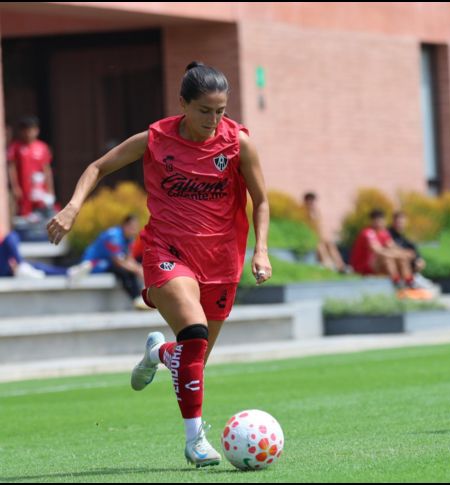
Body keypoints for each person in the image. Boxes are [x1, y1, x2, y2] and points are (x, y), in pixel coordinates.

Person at [47, 61, 271, 467]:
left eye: (220, 111)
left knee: (193, 359)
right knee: (195, 331)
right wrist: (72, 207)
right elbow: (98, 167)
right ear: (183, 104)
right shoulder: (155, 138)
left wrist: (261, 250)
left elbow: (262, 199)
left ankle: (159, 353)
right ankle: (195, 441)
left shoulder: (238, 144)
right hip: (167, 252)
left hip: (222, 261)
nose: (213, 120)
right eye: (205, 110)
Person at [67, 215, 149, 310]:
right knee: (123, 271)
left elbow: (129, 259)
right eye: (132, 227)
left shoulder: (130, 238)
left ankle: (139, 298)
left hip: (109, 262)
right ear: (124, 226)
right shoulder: (114, 236)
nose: (134, 230)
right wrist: (137, 270)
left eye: (136, 227)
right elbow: (118, 261)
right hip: (95, 263)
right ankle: (136, 298)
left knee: (131, 270)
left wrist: (138, 268)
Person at [350, 209, 415, 289]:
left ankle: (409, 282)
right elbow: (378, 251)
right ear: (372, 221)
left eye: (381, 221)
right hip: (364, 266)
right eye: (378, 221)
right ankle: (396, 283)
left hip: (376, 264)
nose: (381, 223)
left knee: (402, 258)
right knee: (387, 257)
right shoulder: (368, 233)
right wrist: (401, 253)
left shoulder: (383, 233)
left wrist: (404, 253)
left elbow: (392, 247)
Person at [7, 116, 57, 218]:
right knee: (24, 216)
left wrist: (50, 189)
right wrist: (15, 187)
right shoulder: (16, 147)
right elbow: (12, 168)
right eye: (26, 130)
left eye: (31, 130)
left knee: (42, 216)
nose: (28, 133)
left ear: (37, 131)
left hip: (39, 190)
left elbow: (47, 169)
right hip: (23, 190)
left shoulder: (42, 147)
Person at [302, 192, 348, 273]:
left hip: (318, 237)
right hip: (310, 239)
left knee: (330, 244)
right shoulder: (302, 213)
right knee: (320, 247)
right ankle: (328, 266)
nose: (311, 203)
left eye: (312, 201)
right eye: (309, 201)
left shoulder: (316, 212)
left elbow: (320, 228)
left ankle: (340, 265)